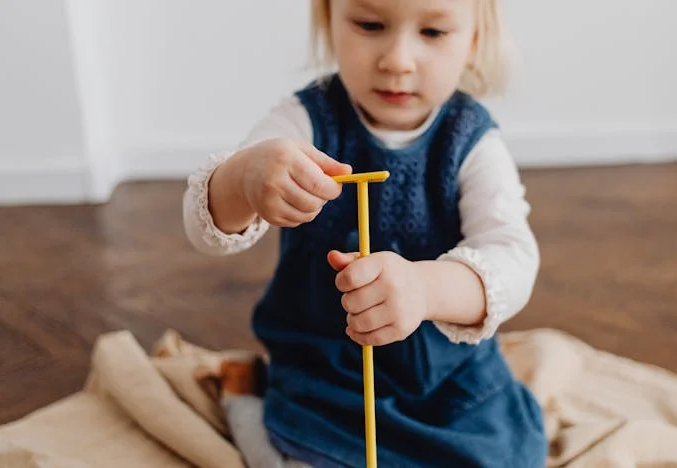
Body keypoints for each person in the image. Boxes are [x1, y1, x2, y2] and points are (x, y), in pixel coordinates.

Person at [183, 0, 547, 466]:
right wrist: (243, 180)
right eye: (370, 24)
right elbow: (201, 228)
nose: (397, 60)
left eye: (433, 32)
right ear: (328, 20)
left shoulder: (472, 142)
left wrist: (426, 288)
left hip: (447, 383)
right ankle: (242, 398)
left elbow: (512, 256)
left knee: (514, 456)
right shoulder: (303, 123)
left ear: (474, 40)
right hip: (326, 377)